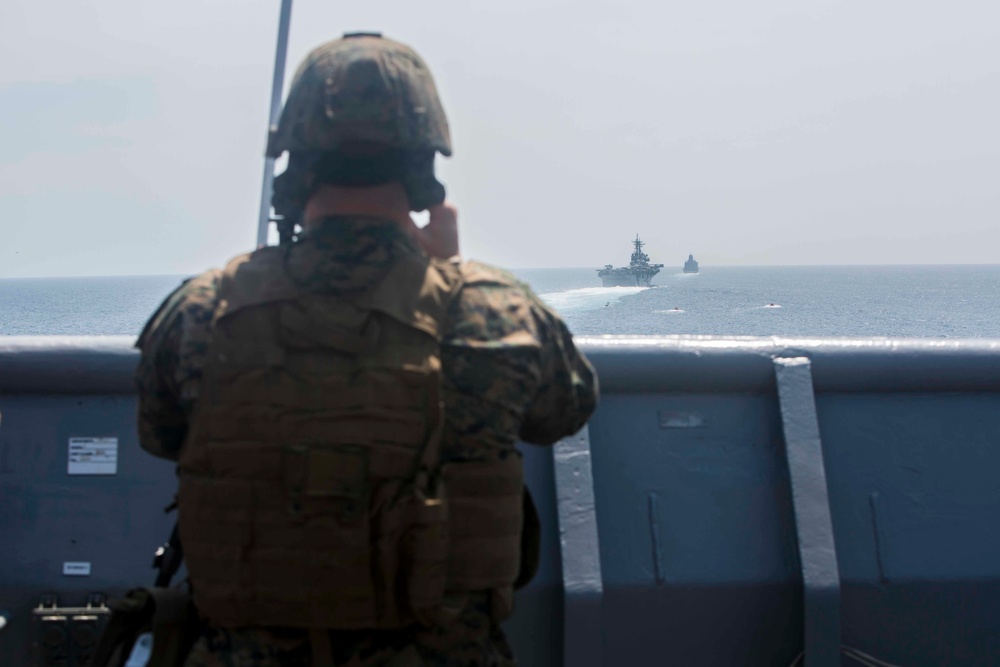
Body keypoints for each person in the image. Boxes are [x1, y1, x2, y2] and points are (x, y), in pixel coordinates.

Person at [134, 33, 597, 666]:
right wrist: (449, 273)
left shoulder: (201, 313)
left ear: (295, 168)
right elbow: (563, 412)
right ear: (423, 170)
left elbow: (160, 434)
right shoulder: (496, 314)